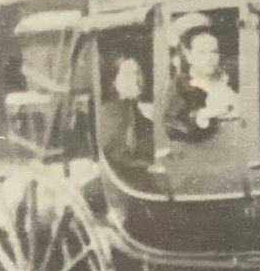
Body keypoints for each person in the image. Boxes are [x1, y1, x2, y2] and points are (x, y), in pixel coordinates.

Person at [163, 14, 240, 143]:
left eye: (214, 52)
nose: (209, 58)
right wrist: (199, 117)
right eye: (201, 52)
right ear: (188, 55)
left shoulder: (231, 79)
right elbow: (173, 124)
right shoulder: (179, 86)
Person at [99, 53, 154, 167]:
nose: (137, 79)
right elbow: (113, 157)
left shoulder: (135, 109)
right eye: (129, 74)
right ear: (114, 82)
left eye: (139, 73)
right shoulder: (109, 113)